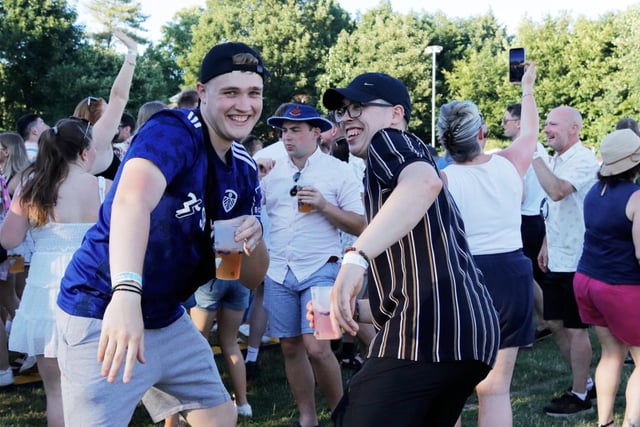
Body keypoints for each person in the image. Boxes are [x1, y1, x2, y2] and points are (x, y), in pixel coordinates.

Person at [55, 41, 270, 427]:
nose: (244, 105)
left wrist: (255, 239)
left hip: (167, 316)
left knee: (219, 416)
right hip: (101, 307)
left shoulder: (244, 169)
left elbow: (250, 278)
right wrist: (125, 294)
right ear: (202, 93)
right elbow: (131, 202)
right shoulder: (172, 130)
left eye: (253, 93)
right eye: (231, 92)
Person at [321, 72, 500, 427]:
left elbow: (425, 183)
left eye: (359, 107)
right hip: (460, 331)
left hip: (430, 334)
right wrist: (349, 310)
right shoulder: (390, 166)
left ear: (395, 113)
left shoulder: (389, 141)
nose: (346, 118)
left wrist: (355, 258)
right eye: (342, 111)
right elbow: (411, 283)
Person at [438, 64, 538, 427]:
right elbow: (530, 132)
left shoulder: (441, 181)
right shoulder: (510, 164)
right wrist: (527, 88)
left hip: (464, 277)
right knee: (495, 390)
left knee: (448, 389)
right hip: (511, 275)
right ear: (482, 133)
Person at [258, 103, 366, 427]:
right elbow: (248, 210)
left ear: (316, 133)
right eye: (284, 131)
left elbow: (361, 224)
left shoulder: (338, 171)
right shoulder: (266, 166)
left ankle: (340, 415)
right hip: (277, 269)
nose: (287, 137)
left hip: (321, 266)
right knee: (290, 347)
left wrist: (323, 205)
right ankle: (308, 418)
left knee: (317, 347)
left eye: (295, 130)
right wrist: (252, 180)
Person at [0, 117, 112, 427]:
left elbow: (8, 239)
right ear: (85, 152)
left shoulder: (33, 186)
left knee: (57, 393)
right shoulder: (105, 188)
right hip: (94, 291)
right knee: (98, 392)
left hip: (46, 294)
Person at [532, 105, 599, 416]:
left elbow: (557, 192)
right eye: (545, 125)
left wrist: (533, 153)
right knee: (556, 323)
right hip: (557, 255)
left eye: (553, 125)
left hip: (578, 258)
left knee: (575, 328)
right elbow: (555, 207)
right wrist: (546, 242)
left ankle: (580, 393)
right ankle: (584, 382)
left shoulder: (583, 160)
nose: (547, 130)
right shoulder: (558, 159)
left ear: (574, 129)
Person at [573, 128, 640, 427]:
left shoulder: (593, 192)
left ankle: (605, 423)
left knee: (611, 353)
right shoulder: (636, 197)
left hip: (587, 280)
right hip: (619, 287)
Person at [501, 104, 549, 340]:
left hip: (526, 217)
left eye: (506, 120)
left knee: (525, 275)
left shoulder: (522, 150)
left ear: (519, 123)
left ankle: (542, 320)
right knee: (530, 274)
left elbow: (516, 190)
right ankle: (542, 319)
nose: (503, 125)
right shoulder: (536, 147)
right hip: (536, 217)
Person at [72, 28, 137, 180]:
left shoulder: (95, 144)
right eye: (108, 111)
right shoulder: (94, 139)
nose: (117, 118)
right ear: (95, 121)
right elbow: (119, 97)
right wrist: (132, 51)